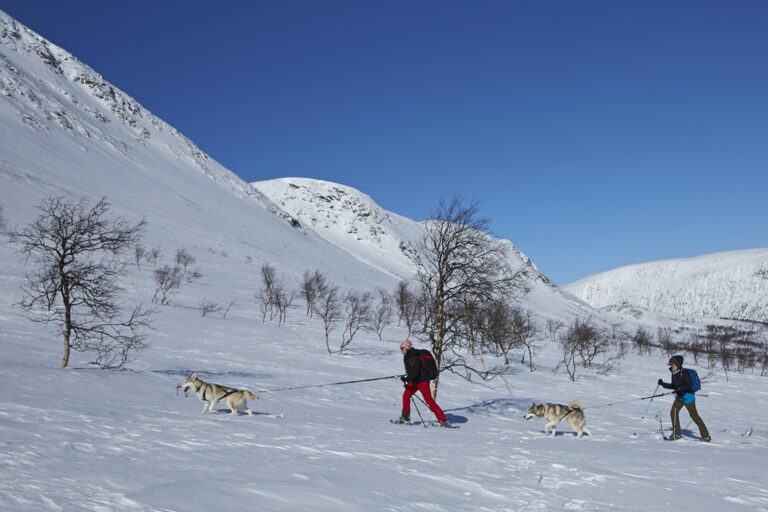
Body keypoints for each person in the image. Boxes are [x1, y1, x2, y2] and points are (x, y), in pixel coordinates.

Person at [395, 339, 449, 426]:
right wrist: (407, 378)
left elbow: (416, 371)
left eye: (402, 348)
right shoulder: (409, 356)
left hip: (422, 381)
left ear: (406, 348)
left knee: (428, 400)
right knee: (406, 396)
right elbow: (413, 371)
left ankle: (443, 419)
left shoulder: (413, 356)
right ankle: (405, 418)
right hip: (416, 380)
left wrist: (408, 379)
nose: (401, 350)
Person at [658, 355, 710, 442]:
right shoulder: (674, 373)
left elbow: (688, 385)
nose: (671, 366)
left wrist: (679, 389)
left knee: (694, 416)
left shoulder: (684, 373)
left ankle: (706, 436)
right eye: (670, 364)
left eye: (672, 364)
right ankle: (677, 434)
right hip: (679, 397)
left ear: (677, 364)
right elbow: (673, 386)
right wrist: (663, 384)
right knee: (673, 413)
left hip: (688, 397)